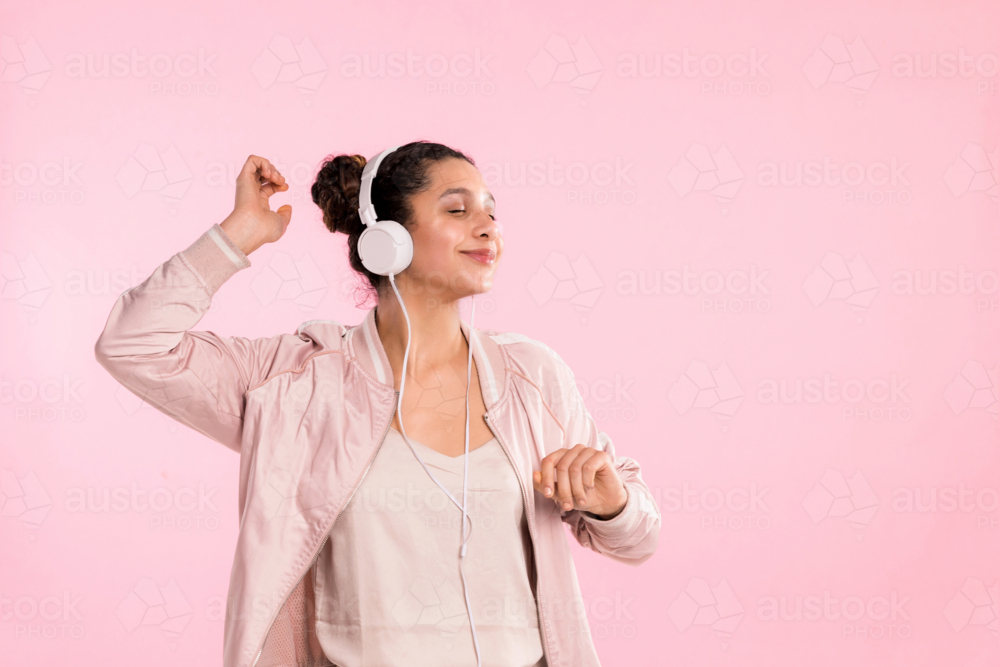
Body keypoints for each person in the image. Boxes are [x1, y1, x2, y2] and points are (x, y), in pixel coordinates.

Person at [94, 141, 661, 667]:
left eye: (491, 210)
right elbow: (132, 344)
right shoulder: (295, 382)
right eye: (458, 210)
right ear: (388, 238)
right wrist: (237, 235)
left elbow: (637, 539)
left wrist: (610, 504)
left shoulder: (533, 376)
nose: (488, 227)